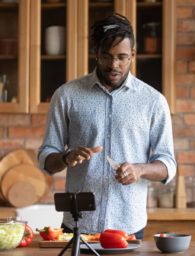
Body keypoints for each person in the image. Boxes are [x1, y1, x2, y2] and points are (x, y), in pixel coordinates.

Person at [38, 13, 176, 240]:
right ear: (96, 54)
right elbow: (47, 157)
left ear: (133, 55)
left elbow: (168, 165)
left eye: (122, 57)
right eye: (106, 56)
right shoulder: (67, 95)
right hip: (78, 224)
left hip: (128, 226)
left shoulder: (153, 101)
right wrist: (65, 158)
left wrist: (140, 170)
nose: (114, 65)